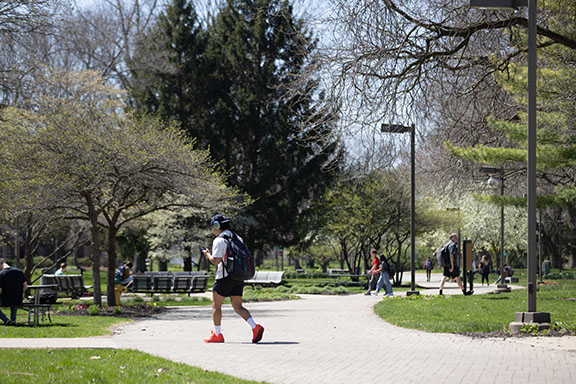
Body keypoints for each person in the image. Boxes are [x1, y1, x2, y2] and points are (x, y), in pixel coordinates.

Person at [202, 214, 264, 343]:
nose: (213, 229)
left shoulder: (219, 240)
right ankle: (255, 326)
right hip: (237, 276)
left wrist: (207, 254)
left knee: (216, 306)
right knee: (238, 307)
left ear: (217, 226)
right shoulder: (237, 238)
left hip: (224, 277)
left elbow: (216, 260)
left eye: (213, 226)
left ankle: (217, 334)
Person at [0, 258, 28, 326]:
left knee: (10, 299)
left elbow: (0, 290)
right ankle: (13, 320)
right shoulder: (19, 272)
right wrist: (19, 292)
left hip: (5, 300)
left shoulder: (1, 274)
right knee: (14, 301)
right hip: (18, 299)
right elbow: (25, 286)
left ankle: (6, 320)